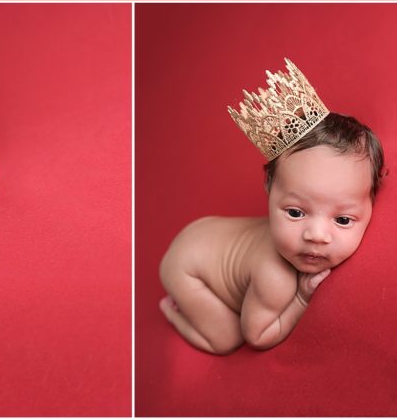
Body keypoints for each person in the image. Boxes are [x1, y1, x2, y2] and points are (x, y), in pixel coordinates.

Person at [159, 61, 383, 354]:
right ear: (269, 188)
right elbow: (257, 335)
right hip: (187, 269)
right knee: (226, 339)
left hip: (206, 233)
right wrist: (301, 299)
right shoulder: (276, 277)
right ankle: (170, 309)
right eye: (295, 213)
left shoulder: (294, 238)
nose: (316, 235)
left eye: (342, 219)